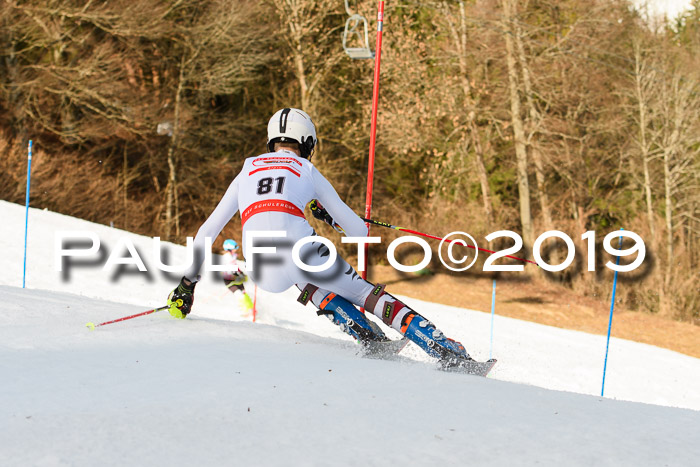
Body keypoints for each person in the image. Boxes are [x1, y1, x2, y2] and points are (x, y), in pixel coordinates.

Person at [166, 108, 474, 369]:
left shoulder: (248, 168)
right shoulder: (306, 168)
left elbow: (208, 232)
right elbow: (358, 232)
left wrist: (186, 287)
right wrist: (329, 217)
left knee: (304, 279)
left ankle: (365, 333)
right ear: (307, 142)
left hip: (262, 268)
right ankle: (446, 351)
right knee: (366, 294)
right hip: (303, 248)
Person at [221, 238, 254, 318]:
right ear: (229, 248)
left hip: (236, 279)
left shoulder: (232, 256)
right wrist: (236, 275)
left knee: (243, 293)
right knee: (239, 295)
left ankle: (251, 308)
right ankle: (245, 311)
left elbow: (235, 267)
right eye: (234, 248)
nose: (236, 250)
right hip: (229, 281)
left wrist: (241, 274)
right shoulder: (226, 257)